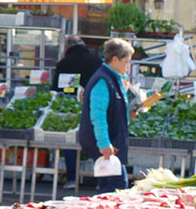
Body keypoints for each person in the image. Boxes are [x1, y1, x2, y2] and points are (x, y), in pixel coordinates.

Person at [78, 38, 137, 194]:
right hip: (104, 141)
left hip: (109, 140)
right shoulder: (103, 81)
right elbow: (98, 115)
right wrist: (104, 143)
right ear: (115, 59)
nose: (128, 66)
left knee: (108, 186)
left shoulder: (114, 78)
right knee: (118, 185)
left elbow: (113, 110)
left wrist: (129, 115)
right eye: (126, 61)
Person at [52, 35, 103, 188]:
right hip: (93, 105)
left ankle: (72, 178)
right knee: (96, 142)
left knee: (69, 142)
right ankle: (99, 179)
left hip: (68, 106)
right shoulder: (96, 61)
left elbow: (56, 88)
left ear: (67, 46)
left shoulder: (65, 62)